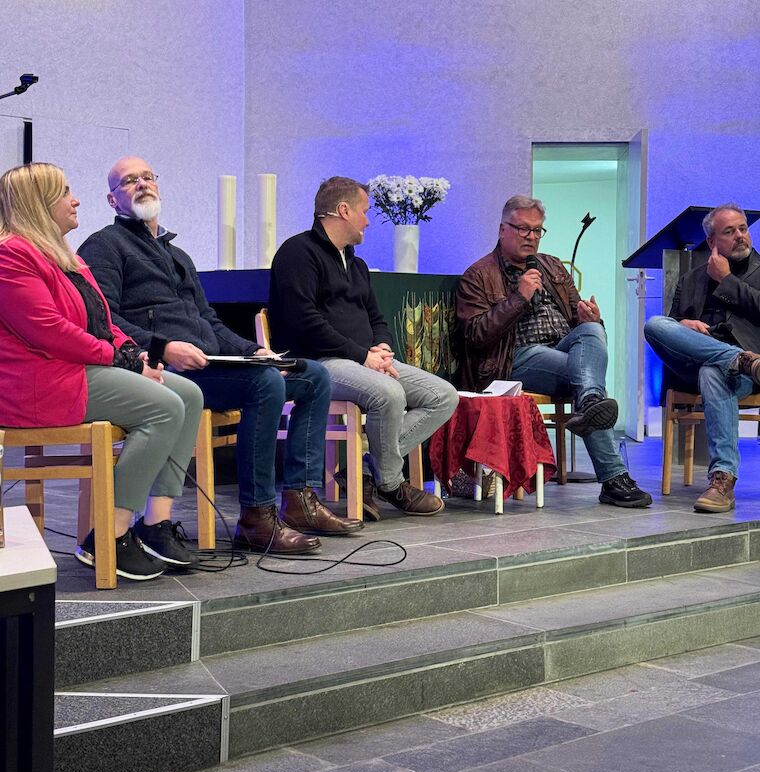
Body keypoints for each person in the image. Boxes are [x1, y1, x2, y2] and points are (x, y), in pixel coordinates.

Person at [78, 156, 361, 555]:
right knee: (263, 386)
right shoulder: (104, 246)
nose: (141, 184)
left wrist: (253, 350)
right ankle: (257, 517)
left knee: (312, 375)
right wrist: (163, 348)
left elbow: (209, 320)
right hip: (162, 372)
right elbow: (104, 319)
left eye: (147, 177)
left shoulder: (178, 255)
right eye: (128, 181)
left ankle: (300, 499)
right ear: (112, 200)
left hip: (212, 365)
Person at [0, 162, 204, 581]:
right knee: (164, 406)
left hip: (75, 369)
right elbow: (50, 332)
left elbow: (105, 320)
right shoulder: (11, 254)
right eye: (65, 193)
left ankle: (156, 525)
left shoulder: (65, 256)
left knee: (188, 395)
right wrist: (122, 360)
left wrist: (136, 356)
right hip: (43, 382)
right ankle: (109, 535)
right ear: (38, 205)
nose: (75, 200)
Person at [268, 176, 459, 519]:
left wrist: (382, 348)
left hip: (364, 361)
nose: (369, 220)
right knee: (388, 393)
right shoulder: (297, 253)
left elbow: (376, 317)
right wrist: (363, 356)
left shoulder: (355, 264)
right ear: (343, 210)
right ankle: (391, 483)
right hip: (317, 363)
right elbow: (304, 321)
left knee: (443, 395)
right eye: (364, 211)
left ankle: (370, 471)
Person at [457, 193, 652, 509]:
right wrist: (519, 298)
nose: (531, 237)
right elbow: (476, 336)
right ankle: (614, 477)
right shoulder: (478, 275)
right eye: (522, 229)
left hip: (564, 351)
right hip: (514, 358)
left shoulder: (552, 266)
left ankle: (589, 403)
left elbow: (577, 318)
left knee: (591, 332)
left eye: (537, 230)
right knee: (588, 379)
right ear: (502, 229)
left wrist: (591, 317)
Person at [644, 203, 760, 513]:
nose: (739, 236)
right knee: (655, 325)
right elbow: (669, 330)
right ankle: (739, 359)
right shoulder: (690, 279)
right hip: (694, 363)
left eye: (742, 229)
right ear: (711, 241)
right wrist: (683, 324)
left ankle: (722, 479)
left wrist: (727, 281)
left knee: (714, 372)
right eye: (729, 231)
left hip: (744, 377)